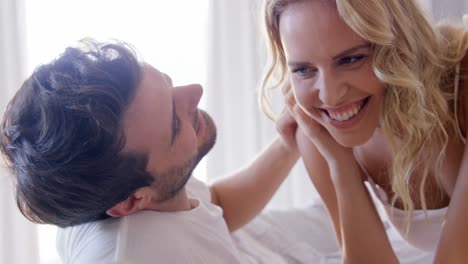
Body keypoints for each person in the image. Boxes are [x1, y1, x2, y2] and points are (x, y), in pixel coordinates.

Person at [0, 40, 346, 263]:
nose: (195, 91)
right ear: (132, 203)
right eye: (175, 122)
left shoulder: (133, 186)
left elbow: (217, 207)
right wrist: (341, 169)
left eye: (167, 82)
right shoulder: (147, 255)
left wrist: (287, 144)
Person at [260, 0, 468, 263]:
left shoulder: (462, 88)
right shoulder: (318, 132)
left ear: (398, 44)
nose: (330, 96)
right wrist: (341, 165)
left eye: (350, 59)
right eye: (303, 69)